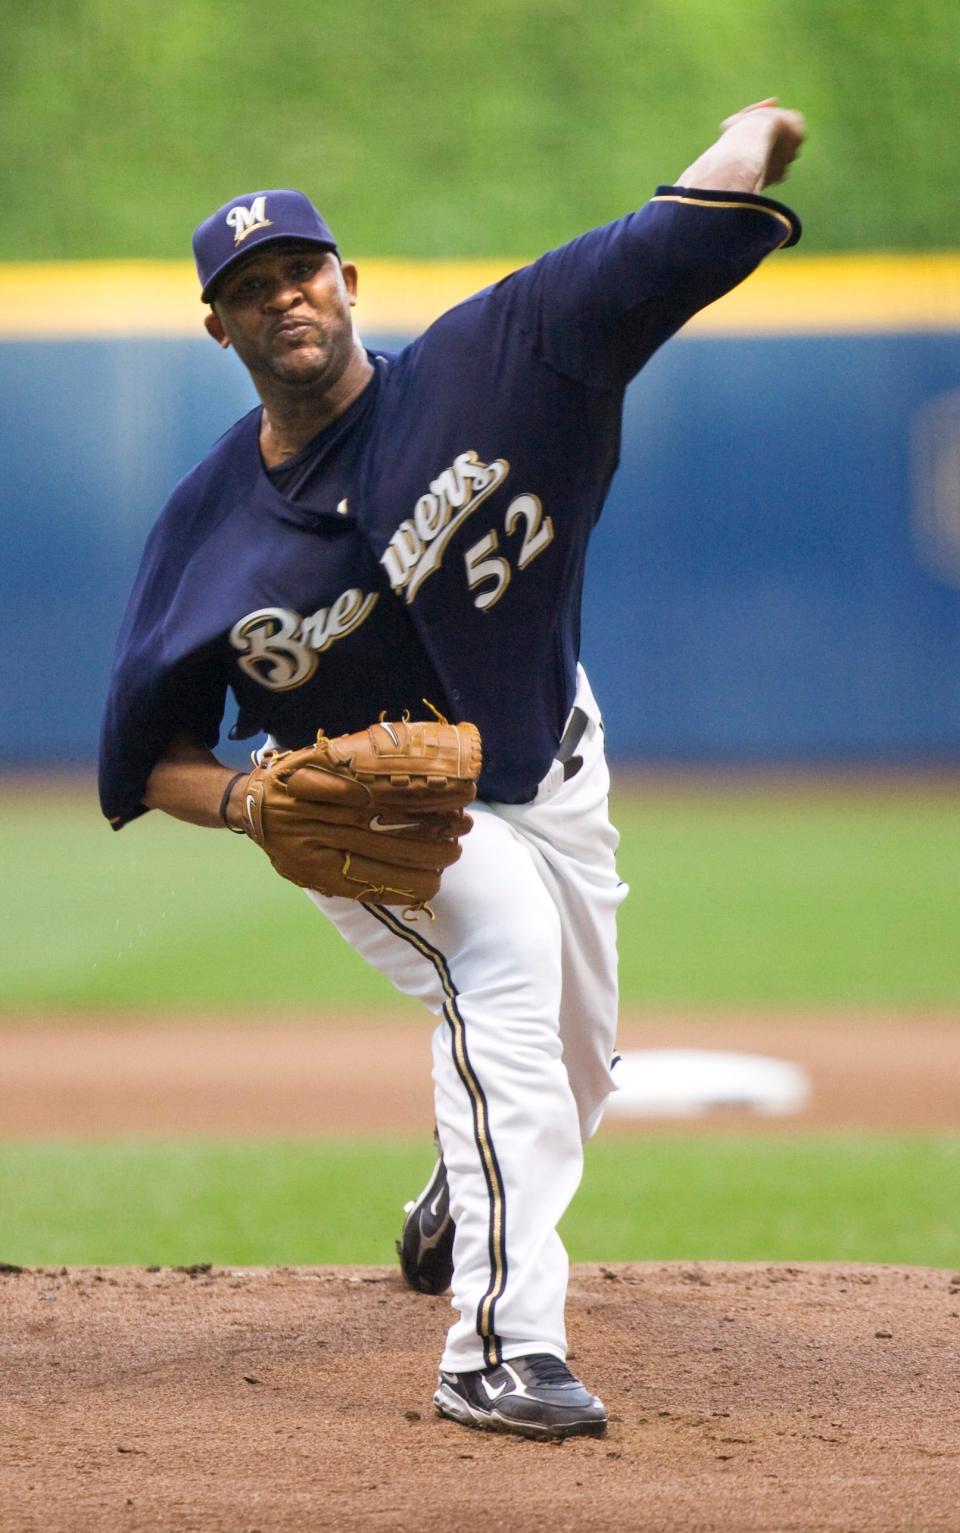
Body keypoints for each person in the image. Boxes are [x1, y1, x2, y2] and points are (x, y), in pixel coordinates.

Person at [100, 100, 805, 1439]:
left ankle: (453, 1193)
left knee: (576, 1073)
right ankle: (496, 1346)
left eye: (299, 271)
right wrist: (250, 799)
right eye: (246, 292)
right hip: (390, 823)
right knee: (504, 965)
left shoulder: (503, 357)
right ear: (219, 330)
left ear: (347, 282)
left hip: (558, 767)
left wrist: (750, 136)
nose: (281, 299)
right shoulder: (204, 535)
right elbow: (146, 757)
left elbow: (661, 242)